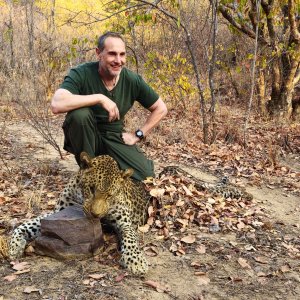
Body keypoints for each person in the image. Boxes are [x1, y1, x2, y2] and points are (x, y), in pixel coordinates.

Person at [51, 32, 168, 181]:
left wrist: (138, 134)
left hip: (114, 137)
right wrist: (99, 98)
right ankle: (89, 175)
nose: (118, 60)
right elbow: (56, 104)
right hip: (86, 136)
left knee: (145, 175)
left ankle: (106, 172)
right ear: (98, 53)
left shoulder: (132, 80)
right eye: (112, 54)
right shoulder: (81, 73)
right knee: (79, 115)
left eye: (122, 54)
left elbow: (161, 108)